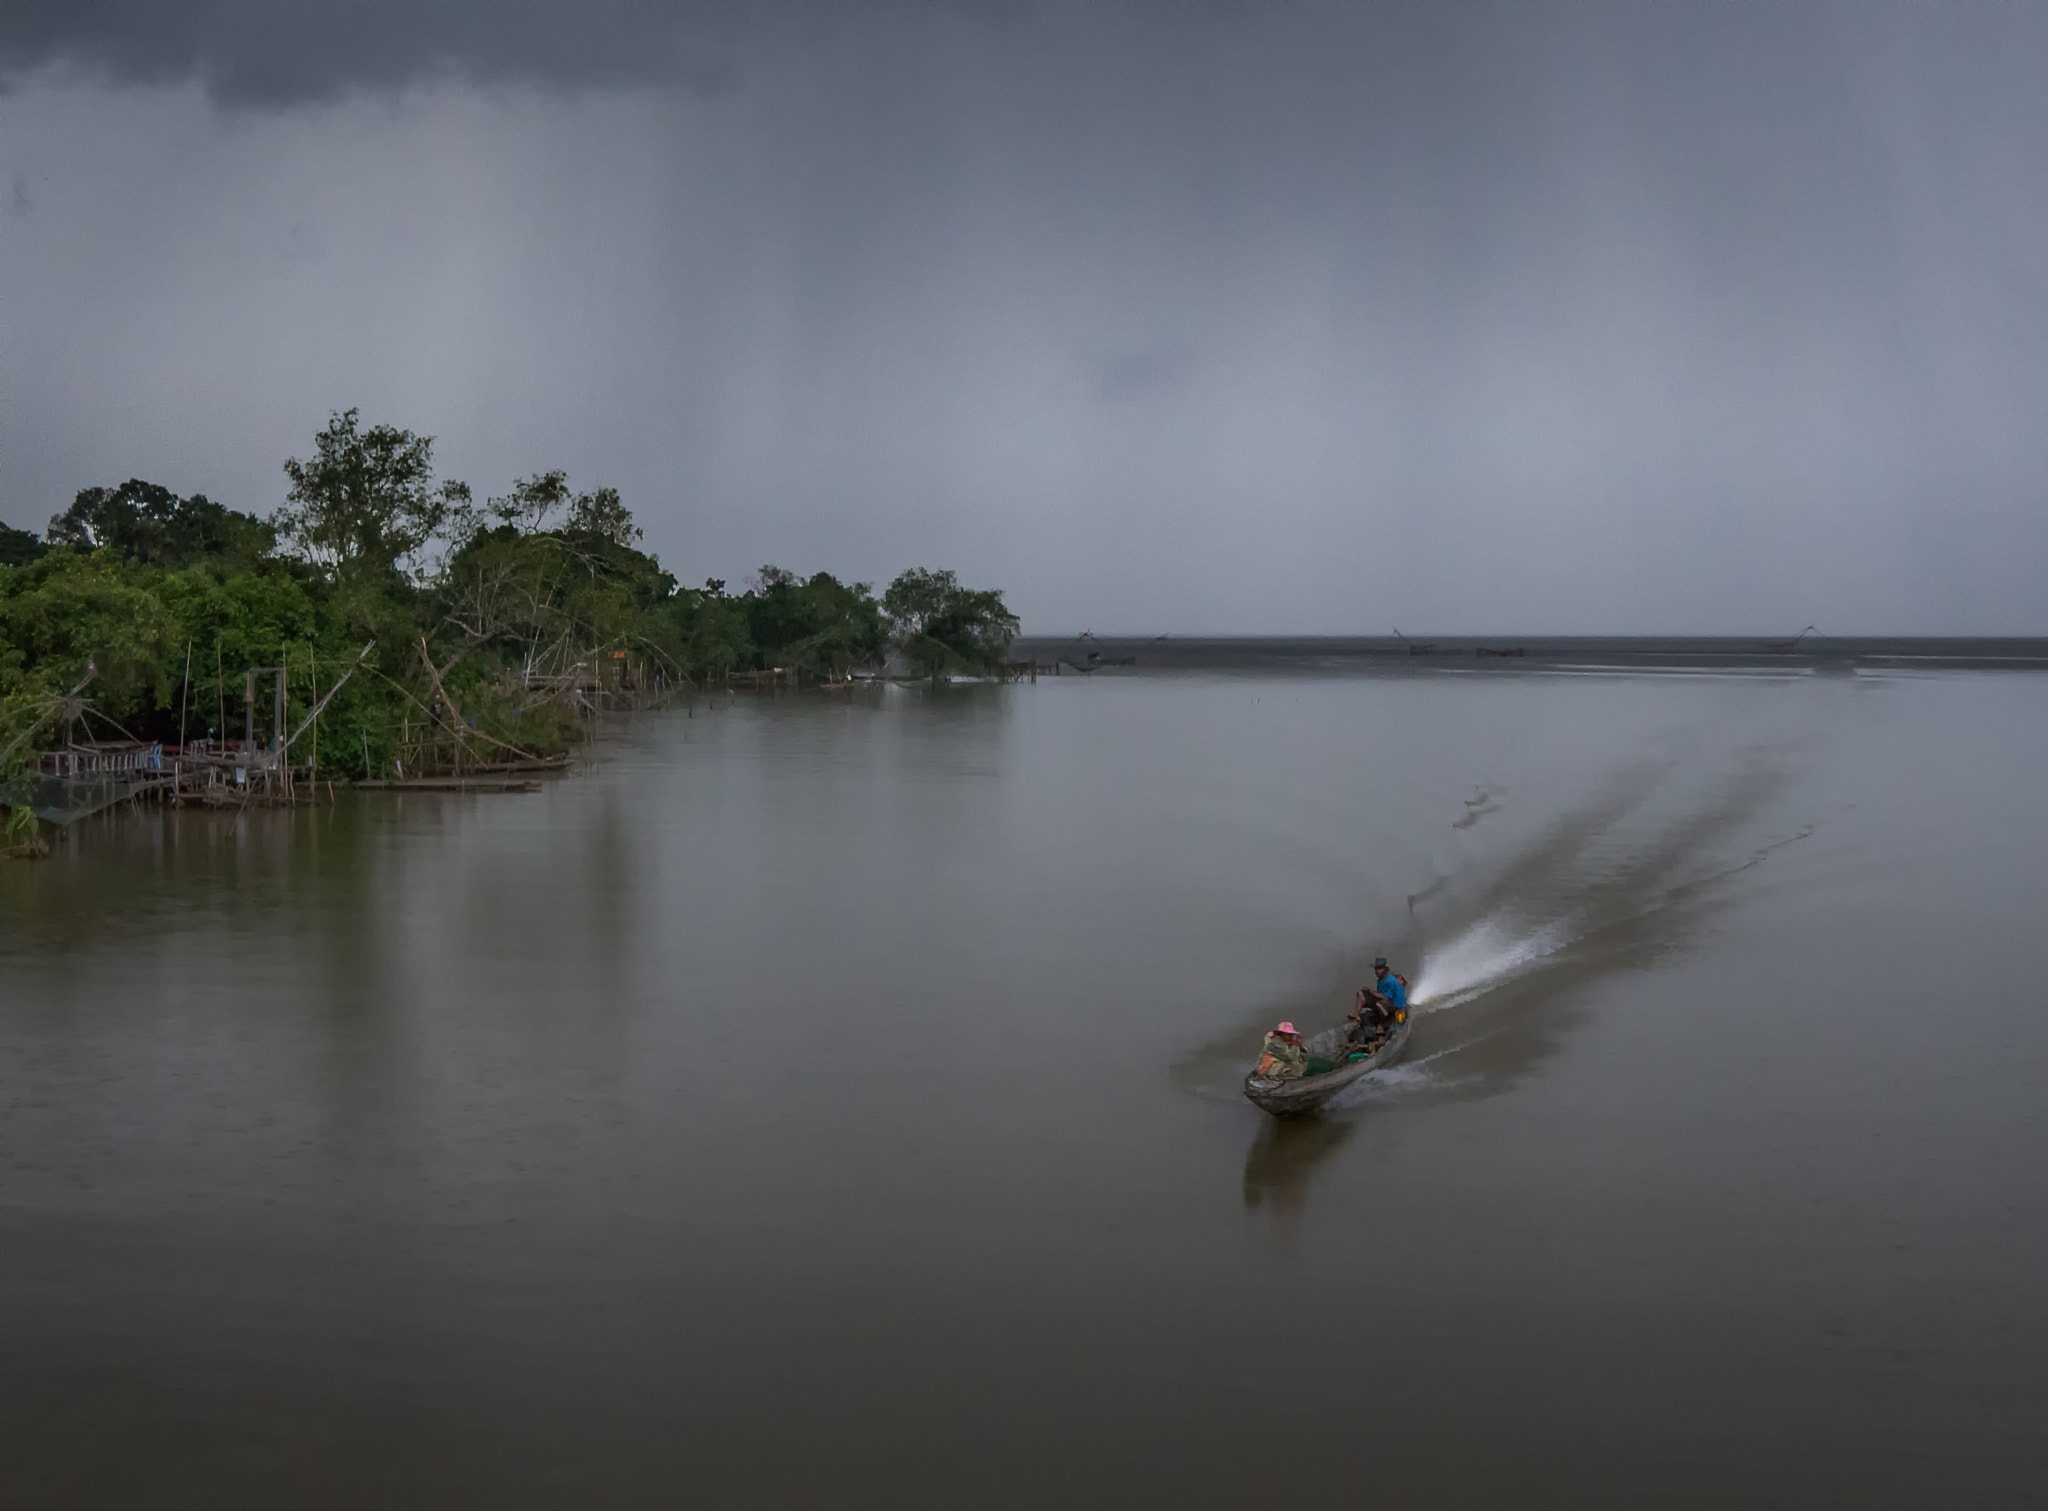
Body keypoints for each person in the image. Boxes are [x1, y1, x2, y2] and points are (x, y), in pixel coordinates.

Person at [1370, 957, 1409, 1025]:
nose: (1377, 971)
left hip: (1397, 1008)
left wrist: (1373, 993)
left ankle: (1381, 1025)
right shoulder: (1381, 980)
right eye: (1376, 968)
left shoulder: (1391, 981)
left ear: (1385, 969)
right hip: (1389, 1004)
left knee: (1397, 1027)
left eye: (1380, 968)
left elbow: (1385, 998)